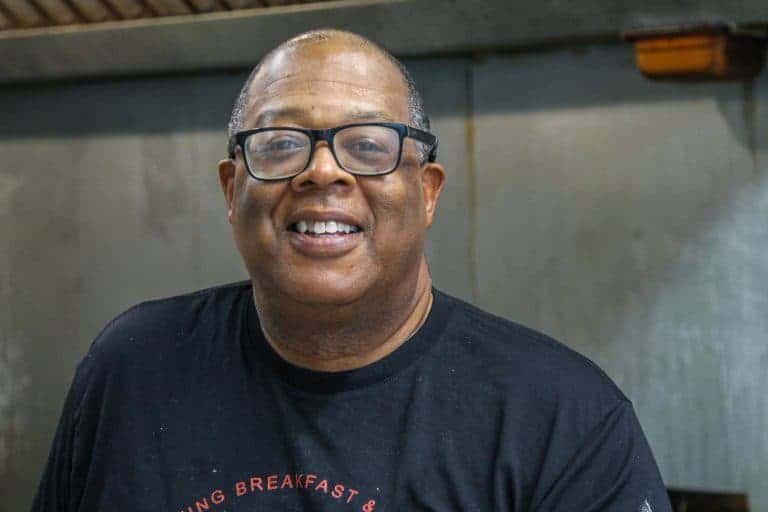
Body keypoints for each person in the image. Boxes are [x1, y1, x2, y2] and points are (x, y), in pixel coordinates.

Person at [32, 29, 672, 511]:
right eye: (281, 144)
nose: (323, 171)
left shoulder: (564, 419)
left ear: (427, 192)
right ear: (232, 190)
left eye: (367, 145)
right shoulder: (131, 369)